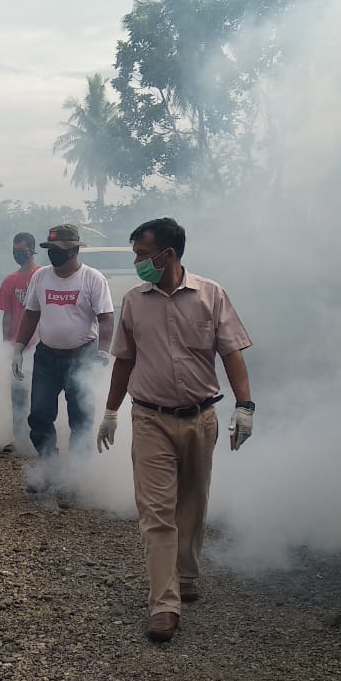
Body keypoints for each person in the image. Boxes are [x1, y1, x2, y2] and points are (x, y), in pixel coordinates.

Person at [96, 217, 254, 643]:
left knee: (193, 503)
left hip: (202, 417)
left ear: (169, 254)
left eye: (142, 255)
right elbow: (124, 360)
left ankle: (186, 576)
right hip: (150, 418)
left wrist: (245, 406)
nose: (137, 262)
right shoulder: (134, 302)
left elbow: (231, 352)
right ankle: (164, 603)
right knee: (157, 513)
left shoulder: (210, 295)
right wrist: (111, 411)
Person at [11, 224, 114, 488]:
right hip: (46, 356)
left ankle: (78, 475)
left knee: (80, 417)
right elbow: (31, 313)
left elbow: (105, 318)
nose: (54, 254)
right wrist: (19, 347)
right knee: (39, 415)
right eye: (51, 249)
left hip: (82, 356)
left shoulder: (92, 279)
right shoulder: (41, 277)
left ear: (75, 250)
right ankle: (49, 467)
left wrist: (103, 350)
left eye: (60, 249)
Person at [0, 232, 39, 453]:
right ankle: (19, 438)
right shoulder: (10, 281)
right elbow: (8, 317)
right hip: (18, 347)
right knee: (18, 395)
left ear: (32, 250)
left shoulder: (43, 276)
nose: (17, 254)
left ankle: (40, 439)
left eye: (21, 250)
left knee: (40, 395)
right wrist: (7, 346)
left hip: (41, 346)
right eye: (14, 250)